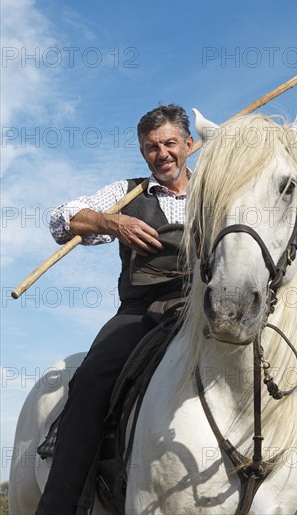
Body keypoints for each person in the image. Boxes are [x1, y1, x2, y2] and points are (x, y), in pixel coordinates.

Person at [36, 104, 194, 515]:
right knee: (89, 381)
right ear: (143, 153)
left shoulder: (219, 191)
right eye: (151, 147)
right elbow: (60, 220)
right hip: (141, 313)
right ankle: (60, 504)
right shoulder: (130, 193)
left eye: (170, 143)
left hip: (205, 309)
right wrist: (113, 223)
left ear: (189, 145)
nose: (162, 154)